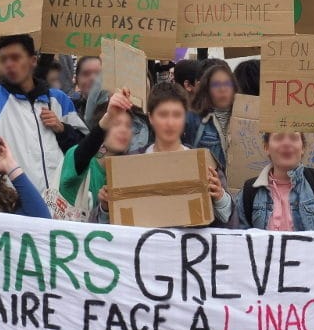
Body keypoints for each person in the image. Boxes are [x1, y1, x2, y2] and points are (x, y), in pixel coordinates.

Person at [92, 82, 234, 225]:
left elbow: (230, 221)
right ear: (151, 118)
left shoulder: (204, 163)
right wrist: (105, 207)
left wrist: (220, 197)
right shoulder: (130, 165)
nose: (170, 123)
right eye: (163, 115)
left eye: (177, 115)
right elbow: (108, 228)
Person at [0, 34, 88, 195]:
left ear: (33, 61)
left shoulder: (59, 99)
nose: (9, 64)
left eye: (15, 57)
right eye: (4, 59)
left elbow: (84, 150)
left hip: (61, 207)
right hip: (16, 206)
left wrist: (63, 130)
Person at [56, 90, 134, 221]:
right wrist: (109, 115)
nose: (124, 130)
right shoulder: (77, 157)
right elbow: (86, 150)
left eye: (129, 126)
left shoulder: (127, 173)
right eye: (116, 124)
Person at [184, 64, 237, 171]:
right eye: (216, 84)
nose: (222, 89)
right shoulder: (193, 118)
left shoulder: (244, 118)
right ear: (206, 88)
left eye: (227, 83)